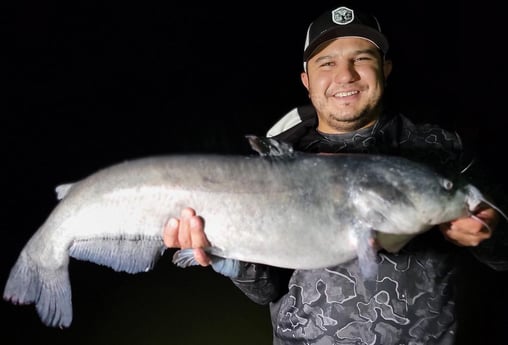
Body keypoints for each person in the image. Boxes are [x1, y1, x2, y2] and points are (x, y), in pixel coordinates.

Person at [163, 5, 508, 345]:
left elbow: (504, 250)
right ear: (306, 79)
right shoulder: (270, 161)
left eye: (361, 58)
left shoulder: (440, 147)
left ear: (385, 68)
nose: (345, 75)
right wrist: (220, 248)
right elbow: (264, 288)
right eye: (327, 63)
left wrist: (490, 234)